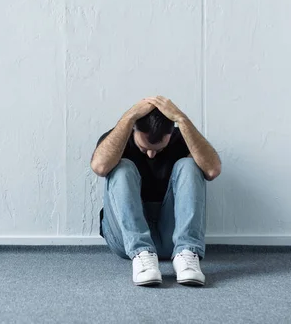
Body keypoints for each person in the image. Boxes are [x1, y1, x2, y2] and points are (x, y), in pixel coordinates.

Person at [91, 96, 221, 286]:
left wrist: (181, 119)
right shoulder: (118, 137)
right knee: (121, 167)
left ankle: (187, 254)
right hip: (126, 241)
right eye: (145, 148)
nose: (151, 154)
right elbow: (100, 167)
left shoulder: (181, 137)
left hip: (172, 237)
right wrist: (129, 117)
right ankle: (142, 255)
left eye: (159, 149)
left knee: (190, 164)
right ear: (133, 127)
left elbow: (212, 170)